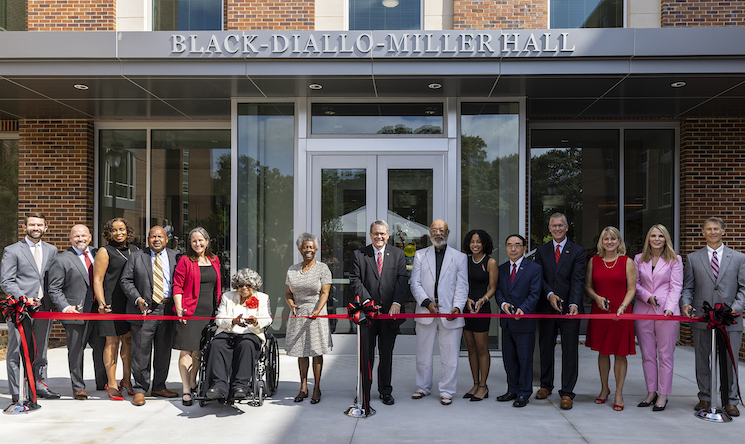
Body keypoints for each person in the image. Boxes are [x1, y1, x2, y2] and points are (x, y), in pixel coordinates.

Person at [681, 216, 745, 417]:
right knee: (702, 359)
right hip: (703, 317)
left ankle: (730, 401)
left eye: (716, 228)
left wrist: (735, 308)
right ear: (703, 232)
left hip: (730, 318)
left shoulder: (738, 258)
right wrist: (685, 304)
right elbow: (688, 287)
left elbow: (743, 288)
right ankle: (705, 397)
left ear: (723, 231)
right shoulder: (693, 258)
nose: (713, 232)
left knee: (730, 360)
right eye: (708, 229)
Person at [349, 219, 408, 413]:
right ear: (370, 235)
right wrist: (368, 303)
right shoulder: (359, 254)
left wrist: (397, 304)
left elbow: (402, 280)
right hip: (367, 314)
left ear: (388, 235)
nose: (379, 237)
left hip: (390, 315)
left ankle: (385, 390)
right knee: (366, 356)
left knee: (386, 354)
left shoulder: (398, 254)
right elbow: (355, 280)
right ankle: (364, 391)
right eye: (375, 233)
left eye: (382, 233)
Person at [0, 213, 60, 403]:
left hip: (44, 308)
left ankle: (40, 385)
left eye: (39, 225)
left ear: (46, 228)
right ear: (24, 227)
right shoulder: (12, 250)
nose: (36, 228)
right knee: (16, 351)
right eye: (32, 224)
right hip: (21, 309)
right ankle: (17, 392)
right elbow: (6, 280)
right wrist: (23, 298)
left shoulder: (52, 250)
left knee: (41, 350)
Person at [410, 219, 468, 406]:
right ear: (430, 233)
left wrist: (458, 307)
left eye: (441, 230)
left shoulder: (459, 257)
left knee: (450, 357)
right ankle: (422, 387)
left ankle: (447, 390)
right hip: (426, 311)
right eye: (434, 230)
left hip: (451, 312)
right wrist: (427, 303)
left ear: (448, 232)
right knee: (423, 353)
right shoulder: (419, 255)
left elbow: (462, 286)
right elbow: (415, 283)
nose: (438, 233)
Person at [120, 225, 180, 406]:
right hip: (144, 310)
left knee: (163, 351)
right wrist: (137, 298)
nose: (156, 239)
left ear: (166, 239)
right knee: (141, 351)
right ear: (148, 239)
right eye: (153, 236)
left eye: (160, 236)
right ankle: (140, 389)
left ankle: (159, 386)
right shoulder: (137, 256)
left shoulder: (176, 257)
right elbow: (126, 280)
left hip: (167, 309)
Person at [533, 213, 586, 410]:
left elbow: (577, 280)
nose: (557, 229)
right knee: (546, 347)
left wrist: (573, 303)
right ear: (549, 228)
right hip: (547, 306)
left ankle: (567, 392)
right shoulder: (541, 250)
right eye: (554, 226)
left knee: (569, 350)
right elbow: (540, 277)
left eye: (561, 225)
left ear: (567, 227)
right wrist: (550, 295)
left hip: (570, 310)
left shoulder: (577, 251)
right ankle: (546, 385)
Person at [47, 224, 106, 400]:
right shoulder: (62, 259)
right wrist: (65, 308)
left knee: (101, 348)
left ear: (90, 237)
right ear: (70, 239)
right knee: (76, 350)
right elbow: (54, 288)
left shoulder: (98, 254)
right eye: (76, 236)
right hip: (75, 312)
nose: (81, 239)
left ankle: (102, 382)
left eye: (84, 236)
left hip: (98, 311)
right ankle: (78, 387)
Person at [584, 226, 636, 411]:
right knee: (603, 352)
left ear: (619, 241)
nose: (610, 242)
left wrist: (622, 306)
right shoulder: (594, 261)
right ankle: (604, 388)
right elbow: (588, 286)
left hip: (621, 312)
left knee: (620, 354)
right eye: (606, 239)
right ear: (601, 242)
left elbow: (632, 288)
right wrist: (596, 297)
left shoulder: (626, 261)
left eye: (613, 239)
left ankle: (619, 392)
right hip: (600, 311)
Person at [634, 224, 682, 412]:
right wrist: (647, 296)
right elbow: (635, 284)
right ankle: (651, 392)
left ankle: (663, 394)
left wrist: (669, 307)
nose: (656, 239)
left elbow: (676, 286)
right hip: (642, 310)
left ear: (665, 239)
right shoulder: (639, 258)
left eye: (660, 236)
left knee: (665, 354)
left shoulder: (675, 260)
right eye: (653, 235)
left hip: (667, 312)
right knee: (647, 355)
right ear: (648, 239)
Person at [172, 227, 222, 406]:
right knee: (186, 350)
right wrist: (179, 308)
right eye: (194, 241)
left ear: (207, 241)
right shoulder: (185, 260)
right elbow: (177, 286)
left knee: (199, 350)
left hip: (209, 313)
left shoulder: (214, 260)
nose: (197, 244)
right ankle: (186, 389)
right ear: (189, 244)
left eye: (200, 240)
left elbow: (217, 287)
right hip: (189, 311)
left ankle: (193, 382)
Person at [205, 268, 272, 400]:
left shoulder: (263, 298)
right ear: (236, 286)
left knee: (246, 344)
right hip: (228, 331)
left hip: (250, 333)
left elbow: (268, 319)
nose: (244, 288)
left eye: (248, 285)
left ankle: (240, 386)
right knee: (216, 344)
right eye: (241, 285)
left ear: (254, 285)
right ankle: (218, 386)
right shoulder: (227, 297)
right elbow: (218, 319)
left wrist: (255, 321)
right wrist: (232, 321)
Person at [92, 217, 138, 401]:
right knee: (112, 342)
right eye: (114, 230)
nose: (118, 233)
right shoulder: (105, 251)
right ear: (108, 233)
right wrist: (101, 303)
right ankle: (111, 383)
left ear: (128, 231)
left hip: (129, 303)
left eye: (122, 229)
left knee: (128, 342)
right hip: (110, 304)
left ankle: (126, 381)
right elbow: (98, 280)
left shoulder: (135, 250)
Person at [284, 232, 332, 404]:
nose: (308, 250)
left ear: (316, 249)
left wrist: (318, 310)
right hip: (298, 313)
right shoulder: (292, 269)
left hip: (316, 312)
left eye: (311, 247)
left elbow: (325, 292)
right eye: (305, 247)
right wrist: (291, 305)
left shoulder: (322, 268)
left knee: (316, 351)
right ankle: (303, 387)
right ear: (300, 249)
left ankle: (317, 387)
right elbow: (288, 293)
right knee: (301, 352)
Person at [494, 234, 542, 408]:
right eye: (509, 245)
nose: (513, 249)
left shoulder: (534, 269)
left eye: (517, 245)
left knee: (524, 359)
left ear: (524, 248)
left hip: (524, 321)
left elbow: (535, 293)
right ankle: (512, 390)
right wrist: (504, 304)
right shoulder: (501, 268)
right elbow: (498, 291)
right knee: (509, 359)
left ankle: (524, 392)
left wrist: (524, 309)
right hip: (507, 321)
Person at [461, 229, 497, 402]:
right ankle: (475, 383)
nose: (475, 245)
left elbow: (493, 288)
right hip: (466, 307)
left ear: (484, 243)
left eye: (478, 242)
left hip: (482, 307)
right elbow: (460, 284)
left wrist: (481, 300)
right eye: (472, 242)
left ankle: (483, 386)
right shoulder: (464, 261)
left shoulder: (490, 262)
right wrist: (466, 299)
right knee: (471, 348)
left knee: (482, 348)